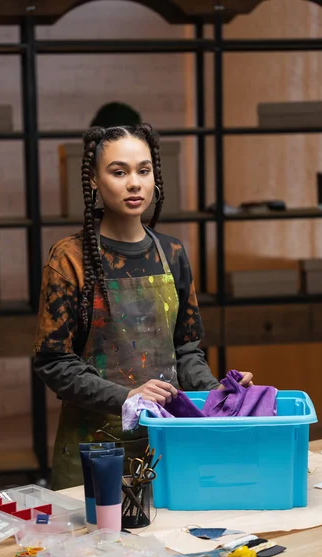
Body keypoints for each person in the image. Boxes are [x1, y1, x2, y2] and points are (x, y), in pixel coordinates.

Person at [33, 123, 253, 490]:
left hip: (168, 443)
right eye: (119, 172)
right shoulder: (69, 259)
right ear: (93, 180)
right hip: (95, 448)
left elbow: (186, 351)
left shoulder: (172, 253)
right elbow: (53, 362)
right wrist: (128, 397)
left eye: (144, 170)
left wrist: (219, 395)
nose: (134, 183)